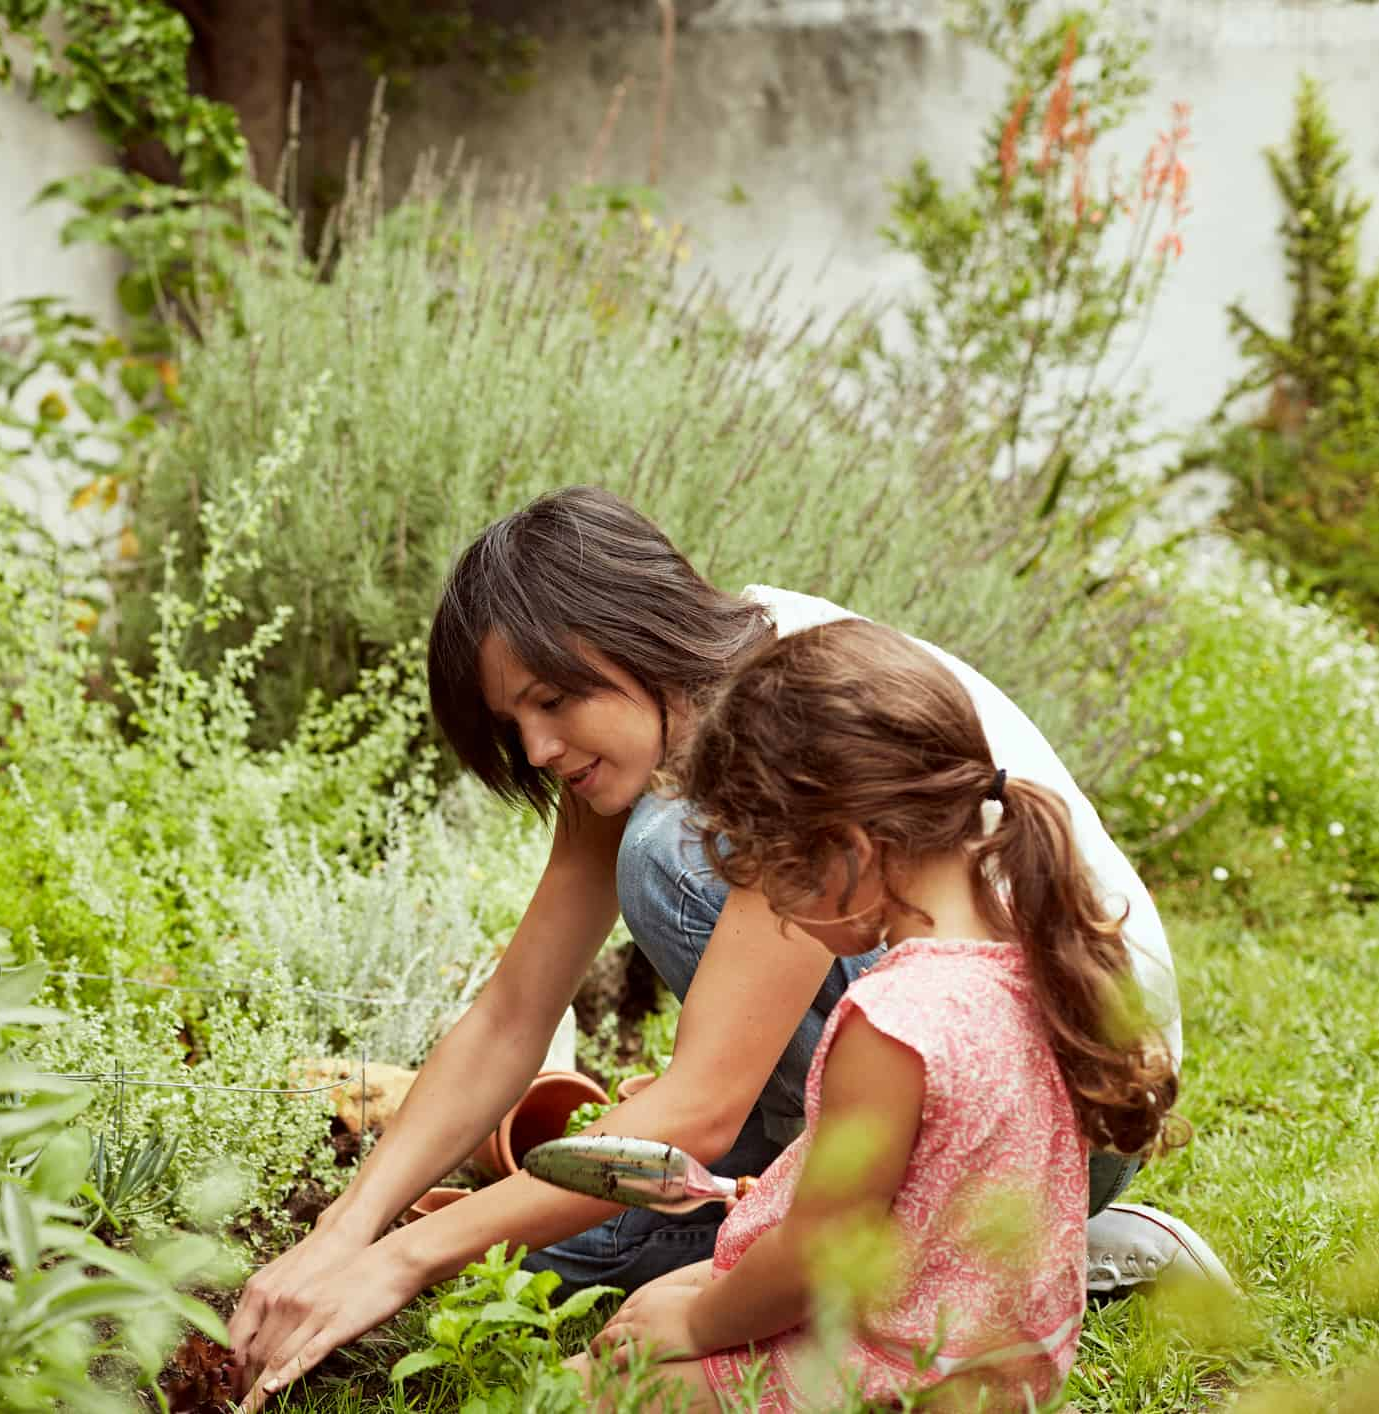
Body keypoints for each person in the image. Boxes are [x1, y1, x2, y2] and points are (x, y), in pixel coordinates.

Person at [228, 487, 1217, 1410]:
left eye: (551, 698)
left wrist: (404, 1258)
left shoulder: (789, 720)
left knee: (667, 857)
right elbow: (514, 1011)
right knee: (557, 1270)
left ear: (629, 638)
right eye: (510, 721)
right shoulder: (668, 703)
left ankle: (1046, 1252)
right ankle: (963, 1248)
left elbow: (699, 1110)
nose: (534, 748)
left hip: (1056, 1117)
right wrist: (346, 1230)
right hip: (987, 1085)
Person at [563, 614, 1188, 1410]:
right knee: (672, 1298)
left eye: (776, 878)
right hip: (998, 1358)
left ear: (850, 851)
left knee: (582, 1387)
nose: (781, 917)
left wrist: (697, 1327)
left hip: (897, 1372)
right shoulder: (1033, 951)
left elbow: (816, 1254)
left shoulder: (892, 1023)